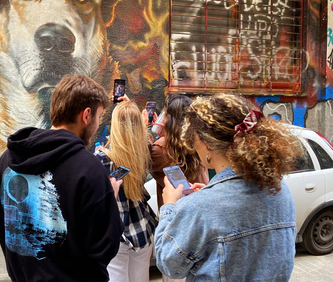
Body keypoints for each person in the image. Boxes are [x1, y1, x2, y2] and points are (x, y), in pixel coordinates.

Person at [0, 74, 124, 282]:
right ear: (86, 115)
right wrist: (109, 200)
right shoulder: (89, 168)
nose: (98, 124)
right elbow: (104, 248)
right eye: (99, 117)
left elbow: (0, 224)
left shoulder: (7, 160)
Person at [155, 93, 301, 281]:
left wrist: (169, 207)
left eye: (194, 136)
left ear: (206, 143)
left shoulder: (200, 207)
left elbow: (169, 264)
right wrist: (208, 197)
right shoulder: (281, 192)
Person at [94, 100, 157, 282]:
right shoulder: (144, 150)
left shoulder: (101, 158)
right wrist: (134, 112)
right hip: (142, 227)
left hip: (116, 231)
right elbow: (143, 133)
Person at [150, 94, 208, 208]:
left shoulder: (159, 149)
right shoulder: (199, 141)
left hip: (176, 215)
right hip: (201, 206)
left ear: (165, 117)